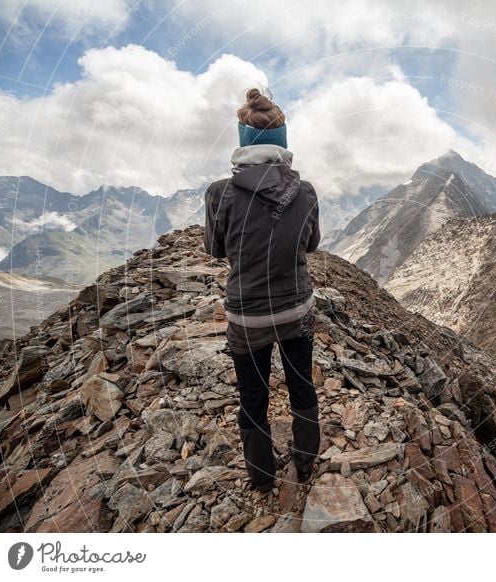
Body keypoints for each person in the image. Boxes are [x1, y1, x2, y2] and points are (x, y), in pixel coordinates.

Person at [203, 84, 321, 493]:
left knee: (252, 397)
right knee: (301, 382)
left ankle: (261, 477)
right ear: (281, 142)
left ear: (244, 143)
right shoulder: (304, 191)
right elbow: (312, 245)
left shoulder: (220, 193)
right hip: (296, 309)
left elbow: (215, 248)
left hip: (246, 315)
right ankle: (306, 461)